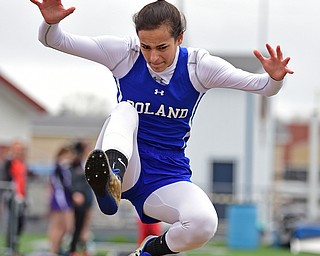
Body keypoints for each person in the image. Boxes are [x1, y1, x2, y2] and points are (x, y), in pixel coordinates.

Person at [31, 0, 294, 255]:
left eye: (162, 47)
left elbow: (263, 87)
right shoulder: (124, 53)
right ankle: (110, 178)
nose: (153, 57)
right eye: (146, 46)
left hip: (166, 176)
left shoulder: (198, 66)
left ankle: (148, 251)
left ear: (180, 39)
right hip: (126, 160)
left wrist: (274, 78)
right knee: (126, 109)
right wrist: (50, 23)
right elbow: (55, 40)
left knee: (204, 223)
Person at [2, 140, 28, 256]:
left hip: (21, 197)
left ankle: (15, 246)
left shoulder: (22, 163)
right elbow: (6, 179)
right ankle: (10, 247)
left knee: (20, 223)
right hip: (12, 197)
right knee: (13, 222)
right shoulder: (9, 163)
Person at [47, 145, 74, 255]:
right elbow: (60, 185)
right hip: (60, 198)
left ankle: (57, 247)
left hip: (65, 197)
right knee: (59, 225)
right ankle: (54, 249)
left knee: (65, 226)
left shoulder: (65, 169)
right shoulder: (58, 168)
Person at [69, 141, 94, 256]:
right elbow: (73, 181)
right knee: (77, 225)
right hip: (79, 199)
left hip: (88, 197)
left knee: (85, 225)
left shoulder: (89, 164)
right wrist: (76, 193)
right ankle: (73, 249)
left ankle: (83, 247)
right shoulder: (76, 164)